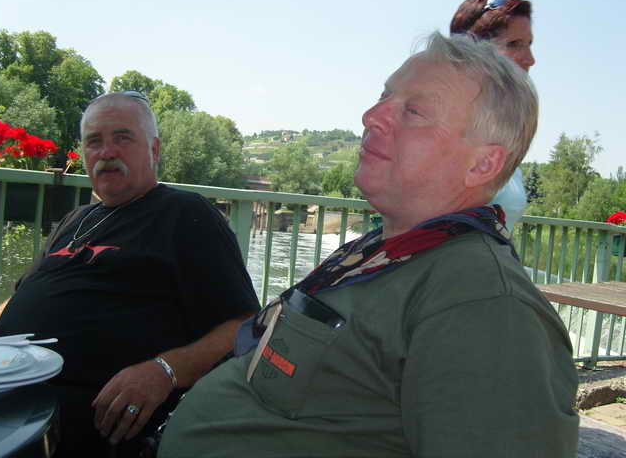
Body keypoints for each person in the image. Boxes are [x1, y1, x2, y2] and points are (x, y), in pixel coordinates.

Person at [157, 32, 579, 457]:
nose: (370, 115)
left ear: (483, 163)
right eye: (384, 96)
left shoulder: (484, 303)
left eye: (413, 111)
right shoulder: (383, 253)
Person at [0, 91, 261, 457]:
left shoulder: (185, 214)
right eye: (94, 141)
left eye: (122, 138)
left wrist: (165, 370)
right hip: (8, 390)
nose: (106, 152)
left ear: (154, 150)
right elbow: (27, 293)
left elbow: (245, 324)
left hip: (85, 418)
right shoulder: (75, 219)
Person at [451, 0, 536, 231]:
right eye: (515, 44)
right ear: (472, 49)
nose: (530, 59)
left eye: (529, 44)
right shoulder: (440, 122)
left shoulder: (503, 128)